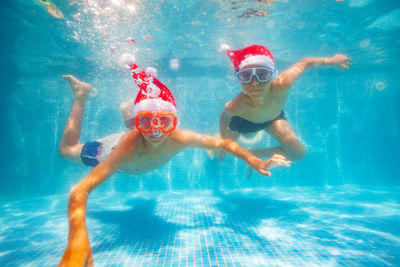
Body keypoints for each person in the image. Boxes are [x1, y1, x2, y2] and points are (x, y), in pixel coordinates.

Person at [58, 62, 291, 266]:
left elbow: (224, 144)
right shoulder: (128, 147)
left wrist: (253, 159)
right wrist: (77, 239)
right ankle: (81, 93)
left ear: (174, 122)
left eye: (165, 121)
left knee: (145, 129)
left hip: (135, 144)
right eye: (146, 121)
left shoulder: (179, 137)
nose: (157, 131)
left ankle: (132, 115)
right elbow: (79, 191)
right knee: (67, 150)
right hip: (108, 150)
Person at [218, 44, 352, 164]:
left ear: (273, 75)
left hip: (273, 119)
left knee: (298, 154)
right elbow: (224, 117)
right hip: (243, 123)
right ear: (238, 78)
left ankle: (255, 152)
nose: (254, 83)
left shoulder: (283, 85)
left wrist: (332, 60)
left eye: (262, 74)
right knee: (227, 147)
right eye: (246, 75)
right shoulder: (236, 105)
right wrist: (224, 142)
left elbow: (305, 63)